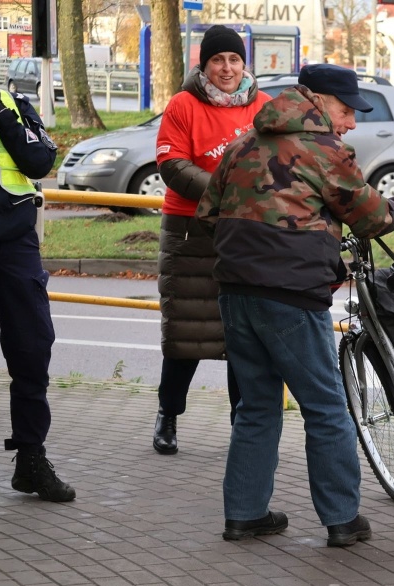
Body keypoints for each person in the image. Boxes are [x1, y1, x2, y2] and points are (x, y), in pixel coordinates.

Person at [196, 64, 394, 544]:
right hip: (291, 297)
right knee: (326, 408)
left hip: (236, 291)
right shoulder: (322, 149)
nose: (350, 123)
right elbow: (371, 216)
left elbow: (207, 213)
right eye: (345, 110)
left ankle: (244, 513)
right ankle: (342, 519)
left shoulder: (244, 142)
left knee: (257, 407)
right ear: (319, 101)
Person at [0, 10, 75, 516]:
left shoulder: (11, 101)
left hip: (15, 240)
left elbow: (38, 162)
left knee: (33, 348)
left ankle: (30, 457)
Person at [152, 25, 272, 455]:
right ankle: (168, 414)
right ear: (203, 64)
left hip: (245, 232)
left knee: (244, 335)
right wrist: (230, 191)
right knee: (187, 332)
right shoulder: (183, 105)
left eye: (234, 60)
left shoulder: (264, 105)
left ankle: (244, 420)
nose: (226, 68)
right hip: (190, 230)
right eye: (218, 60)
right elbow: (172, 165)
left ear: (245, 64)